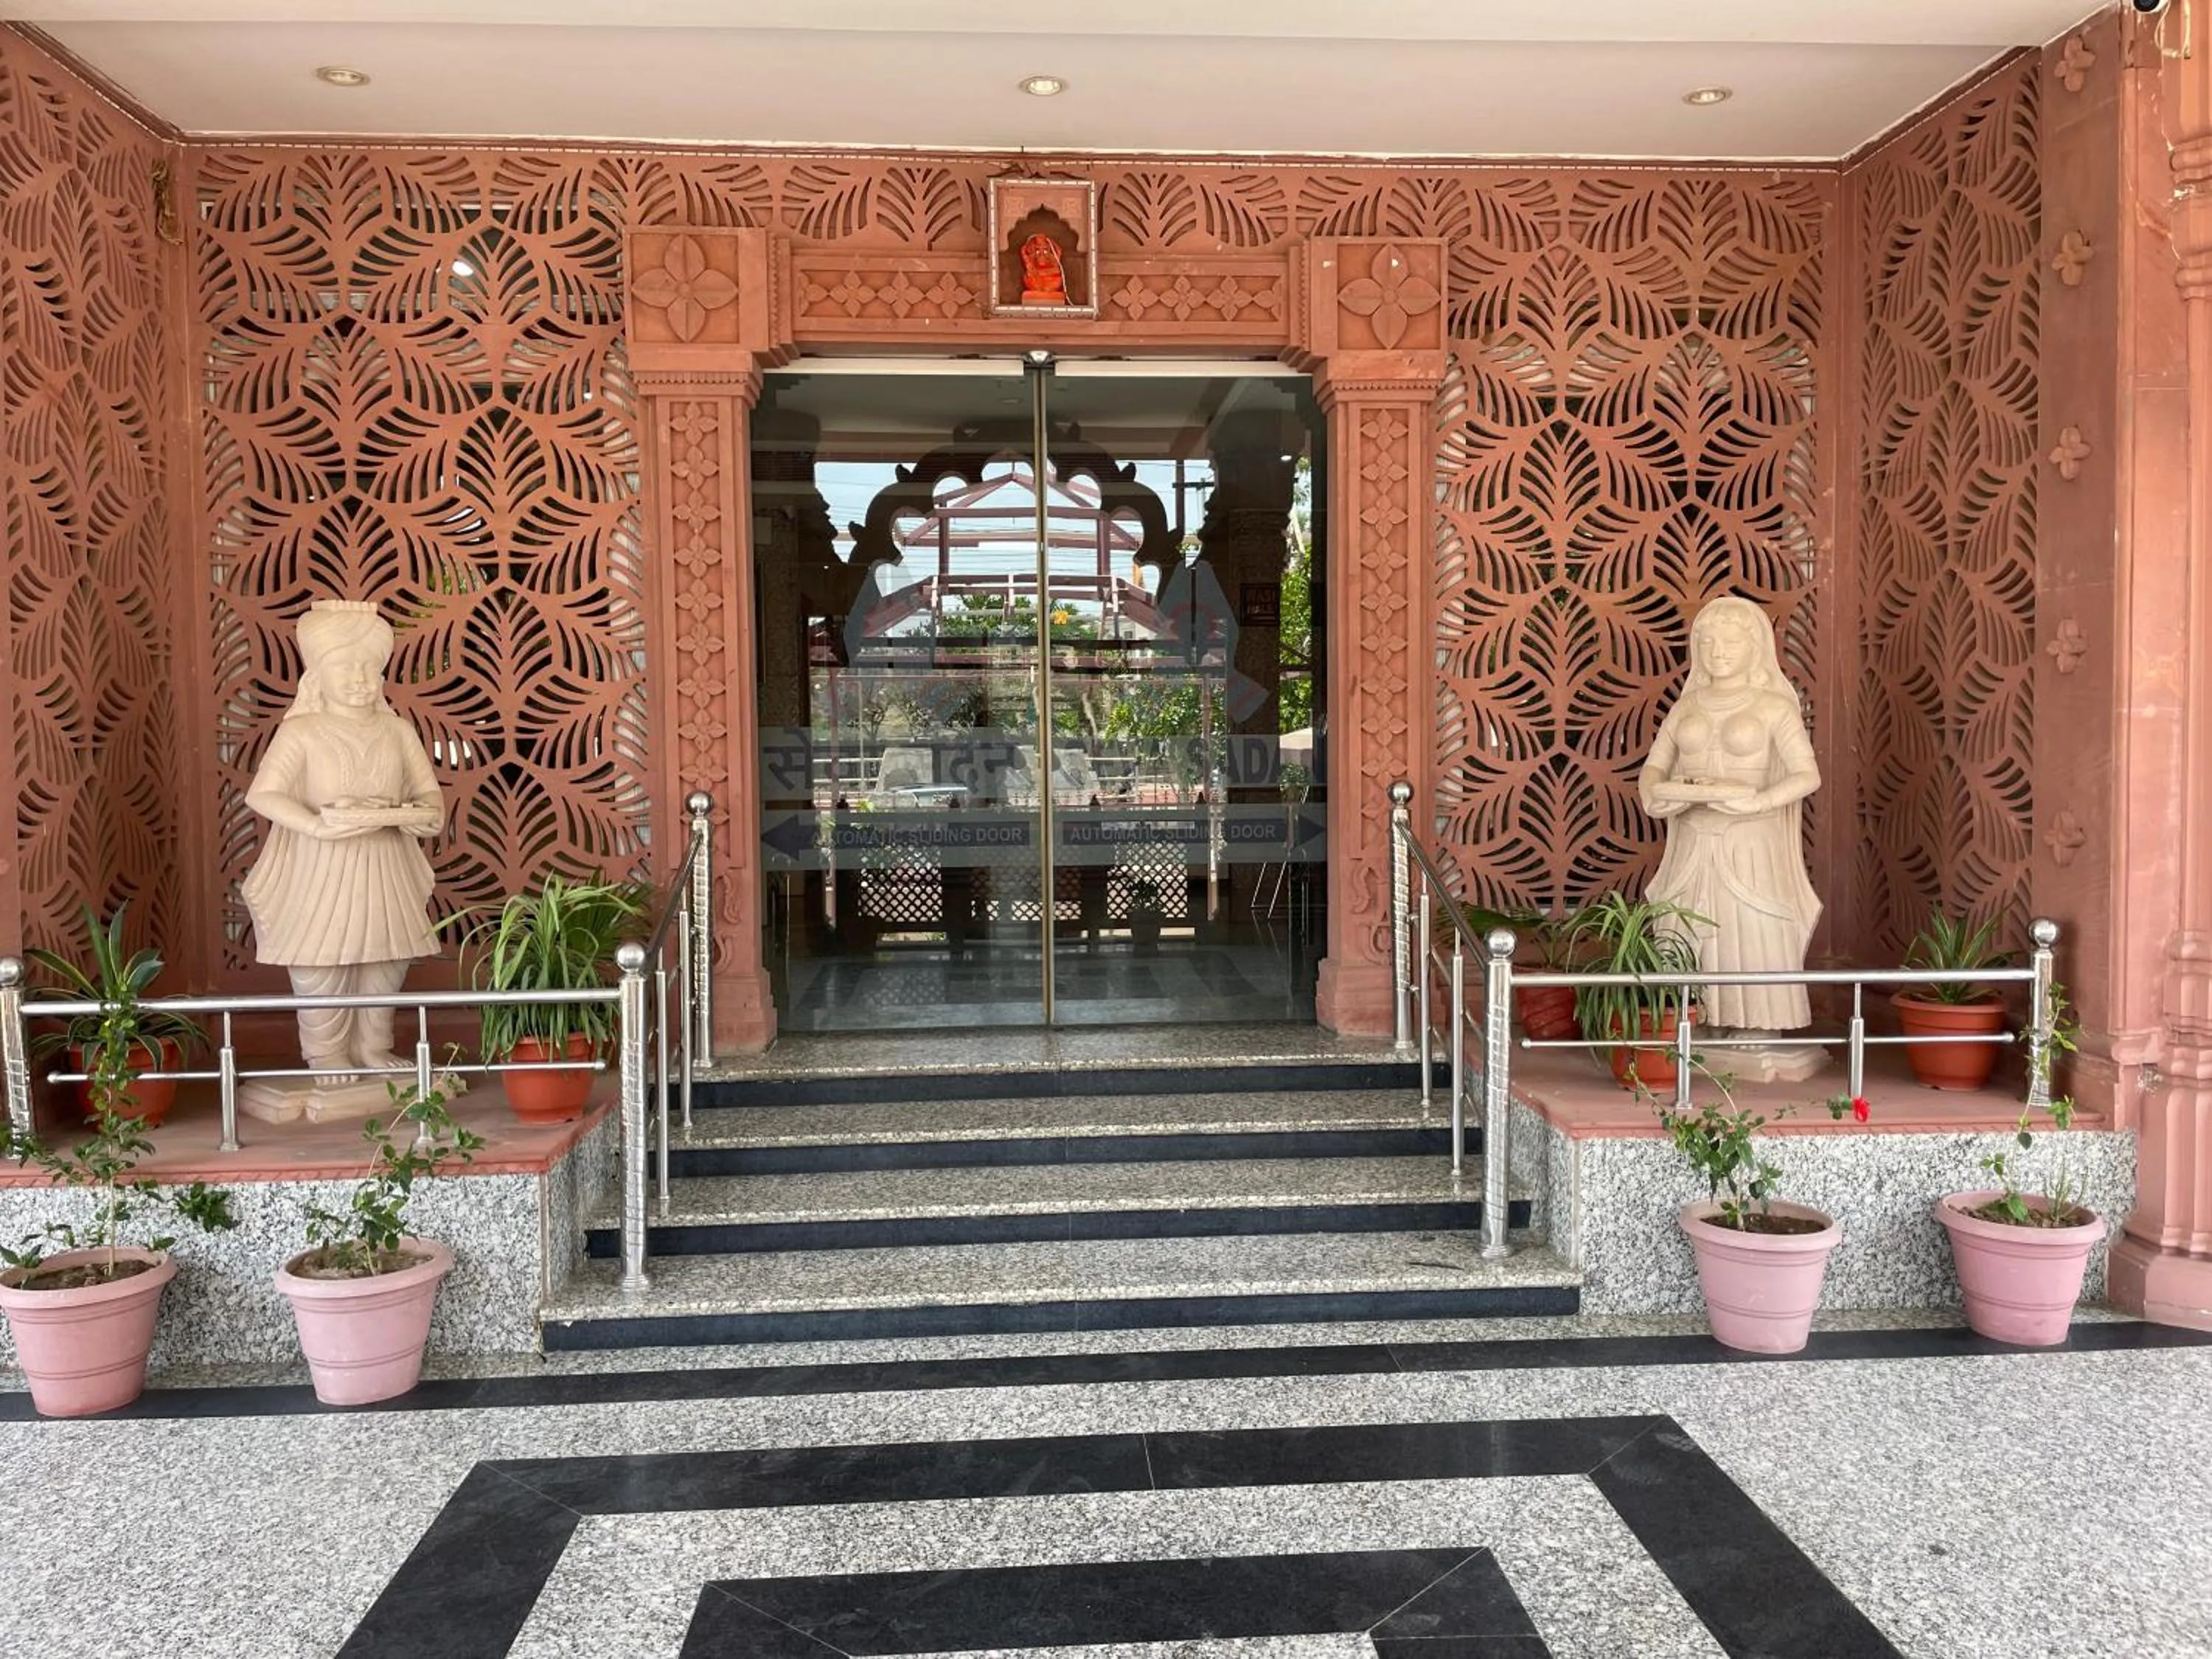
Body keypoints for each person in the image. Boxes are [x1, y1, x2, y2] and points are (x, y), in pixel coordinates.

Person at [241, 601, 443, 1085]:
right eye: (345, 667)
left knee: (387, 954)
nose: (360, 679)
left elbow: (428, 793)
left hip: (386, 860)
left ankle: (375, 1046)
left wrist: (424, 817)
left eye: (370, 668)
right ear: (318, 674)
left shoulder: (397, 731)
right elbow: (263, 794)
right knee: (321, 958)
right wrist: (315, 826)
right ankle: (325, 1052)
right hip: (322, 864)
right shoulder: (302, 731)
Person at [1638, 596, 1824, 1076]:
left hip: (1751, 844)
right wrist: (1662, 794)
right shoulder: (1686, 708)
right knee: (1689, 924)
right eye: (1708, 641)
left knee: (1750, 927)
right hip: (1694, 840)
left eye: (1730, 641)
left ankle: (1756, 1022)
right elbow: (1654, 770)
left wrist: (1757, 802)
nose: (1718, 650)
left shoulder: (1772, 707)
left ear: (1754, 647)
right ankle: (1698, 1017)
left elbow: (1806, 774)